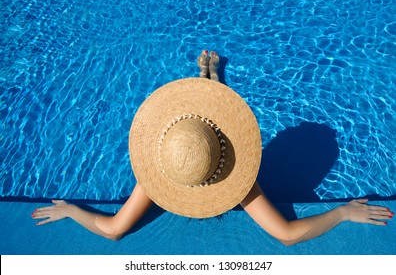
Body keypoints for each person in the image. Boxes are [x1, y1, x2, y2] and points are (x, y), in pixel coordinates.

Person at [32, 50, 393, 246]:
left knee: (197, 136)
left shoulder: (158, 172)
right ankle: (213, 87)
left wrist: (71, 211)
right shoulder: (239, 180)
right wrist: (343, 213)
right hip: (218, 164)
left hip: (191, 159)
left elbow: (112, 230)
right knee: (209, 131)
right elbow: (285, 235)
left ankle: (211, 84)